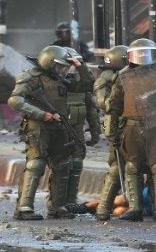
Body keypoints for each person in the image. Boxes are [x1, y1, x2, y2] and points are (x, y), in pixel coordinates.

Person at [8, 45, 89, 220]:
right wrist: (42, 114)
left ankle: (57, 206)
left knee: (63, 164)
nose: (63, 70)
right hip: (38, 127)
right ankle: (24, 207)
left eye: (64, 67)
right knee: (35, 165)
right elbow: (15, 100)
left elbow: (85, 84)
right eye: (59, 66)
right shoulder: (30, 78)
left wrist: (80, 66)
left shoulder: (63, 80)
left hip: (59, 126)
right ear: (49, 63)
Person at [104, 38, 156, 222]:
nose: (142, 58)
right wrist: (112, 133)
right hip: (132, 127)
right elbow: (114, 106)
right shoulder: (122, 76)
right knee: (132, 167)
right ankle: (135, 208)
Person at [57, 47, 101, 210]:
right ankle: (57, 202)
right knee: (60, 166)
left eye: (73, 64)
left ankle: (70, 201)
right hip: (57, 132)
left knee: (76, 163)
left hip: (76, 132)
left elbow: (91, 111)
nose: (70, 67)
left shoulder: (80, 85)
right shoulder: (52, 83)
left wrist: (95, 133)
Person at [93, 45, 129, 220]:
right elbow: (102, 101)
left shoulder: (132, 74)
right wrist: (116, 101)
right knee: (117, 167)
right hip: (117, 126)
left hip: (134, 124)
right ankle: (103, 207)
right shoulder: (105, 79)